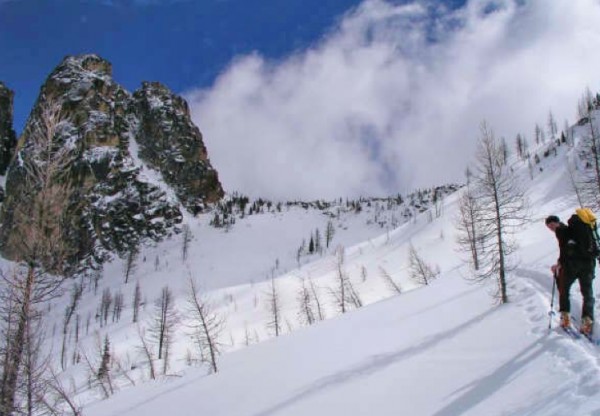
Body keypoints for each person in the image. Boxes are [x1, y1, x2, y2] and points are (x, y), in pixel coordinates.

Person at [546, 215, 595, 335]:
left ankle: (565, 318)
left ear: (557, 223)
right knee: (587, 293)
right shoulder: (578, 231)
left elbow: (564, 250)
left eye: (551, 225)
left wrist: (559, 264)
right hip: (588, 264)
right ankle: (587, 322)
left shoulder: (561, 230)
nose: (551, 228)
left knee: (563, 289)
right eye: (549, 227)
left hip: (572, 266)